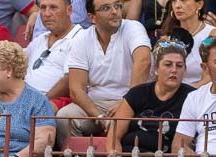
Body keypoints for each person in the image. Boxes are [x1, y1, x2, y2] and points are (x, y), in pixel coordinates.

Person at [68, 38, 192, 157]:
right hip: (124, 153)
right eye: (168, 65)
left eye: (179, 66)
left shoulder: (191, 97)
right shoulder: (138, 93)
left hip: (159, 156)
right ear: (156, 69)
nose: (174, 70)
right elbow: (114, 135)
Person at [57, 0, 149, 139]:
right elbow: (76, 90)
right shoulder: (81, 38)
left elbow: (144, 61)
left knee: (119, 122)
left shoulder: (133, 27)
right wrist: (99, 117)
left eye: (117, 5)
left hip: (132, 100)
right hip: (96, 103)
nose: (115, 11)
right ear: (92, 17)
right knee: (64, 117)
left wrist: (126, 102)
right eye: (106, 8)